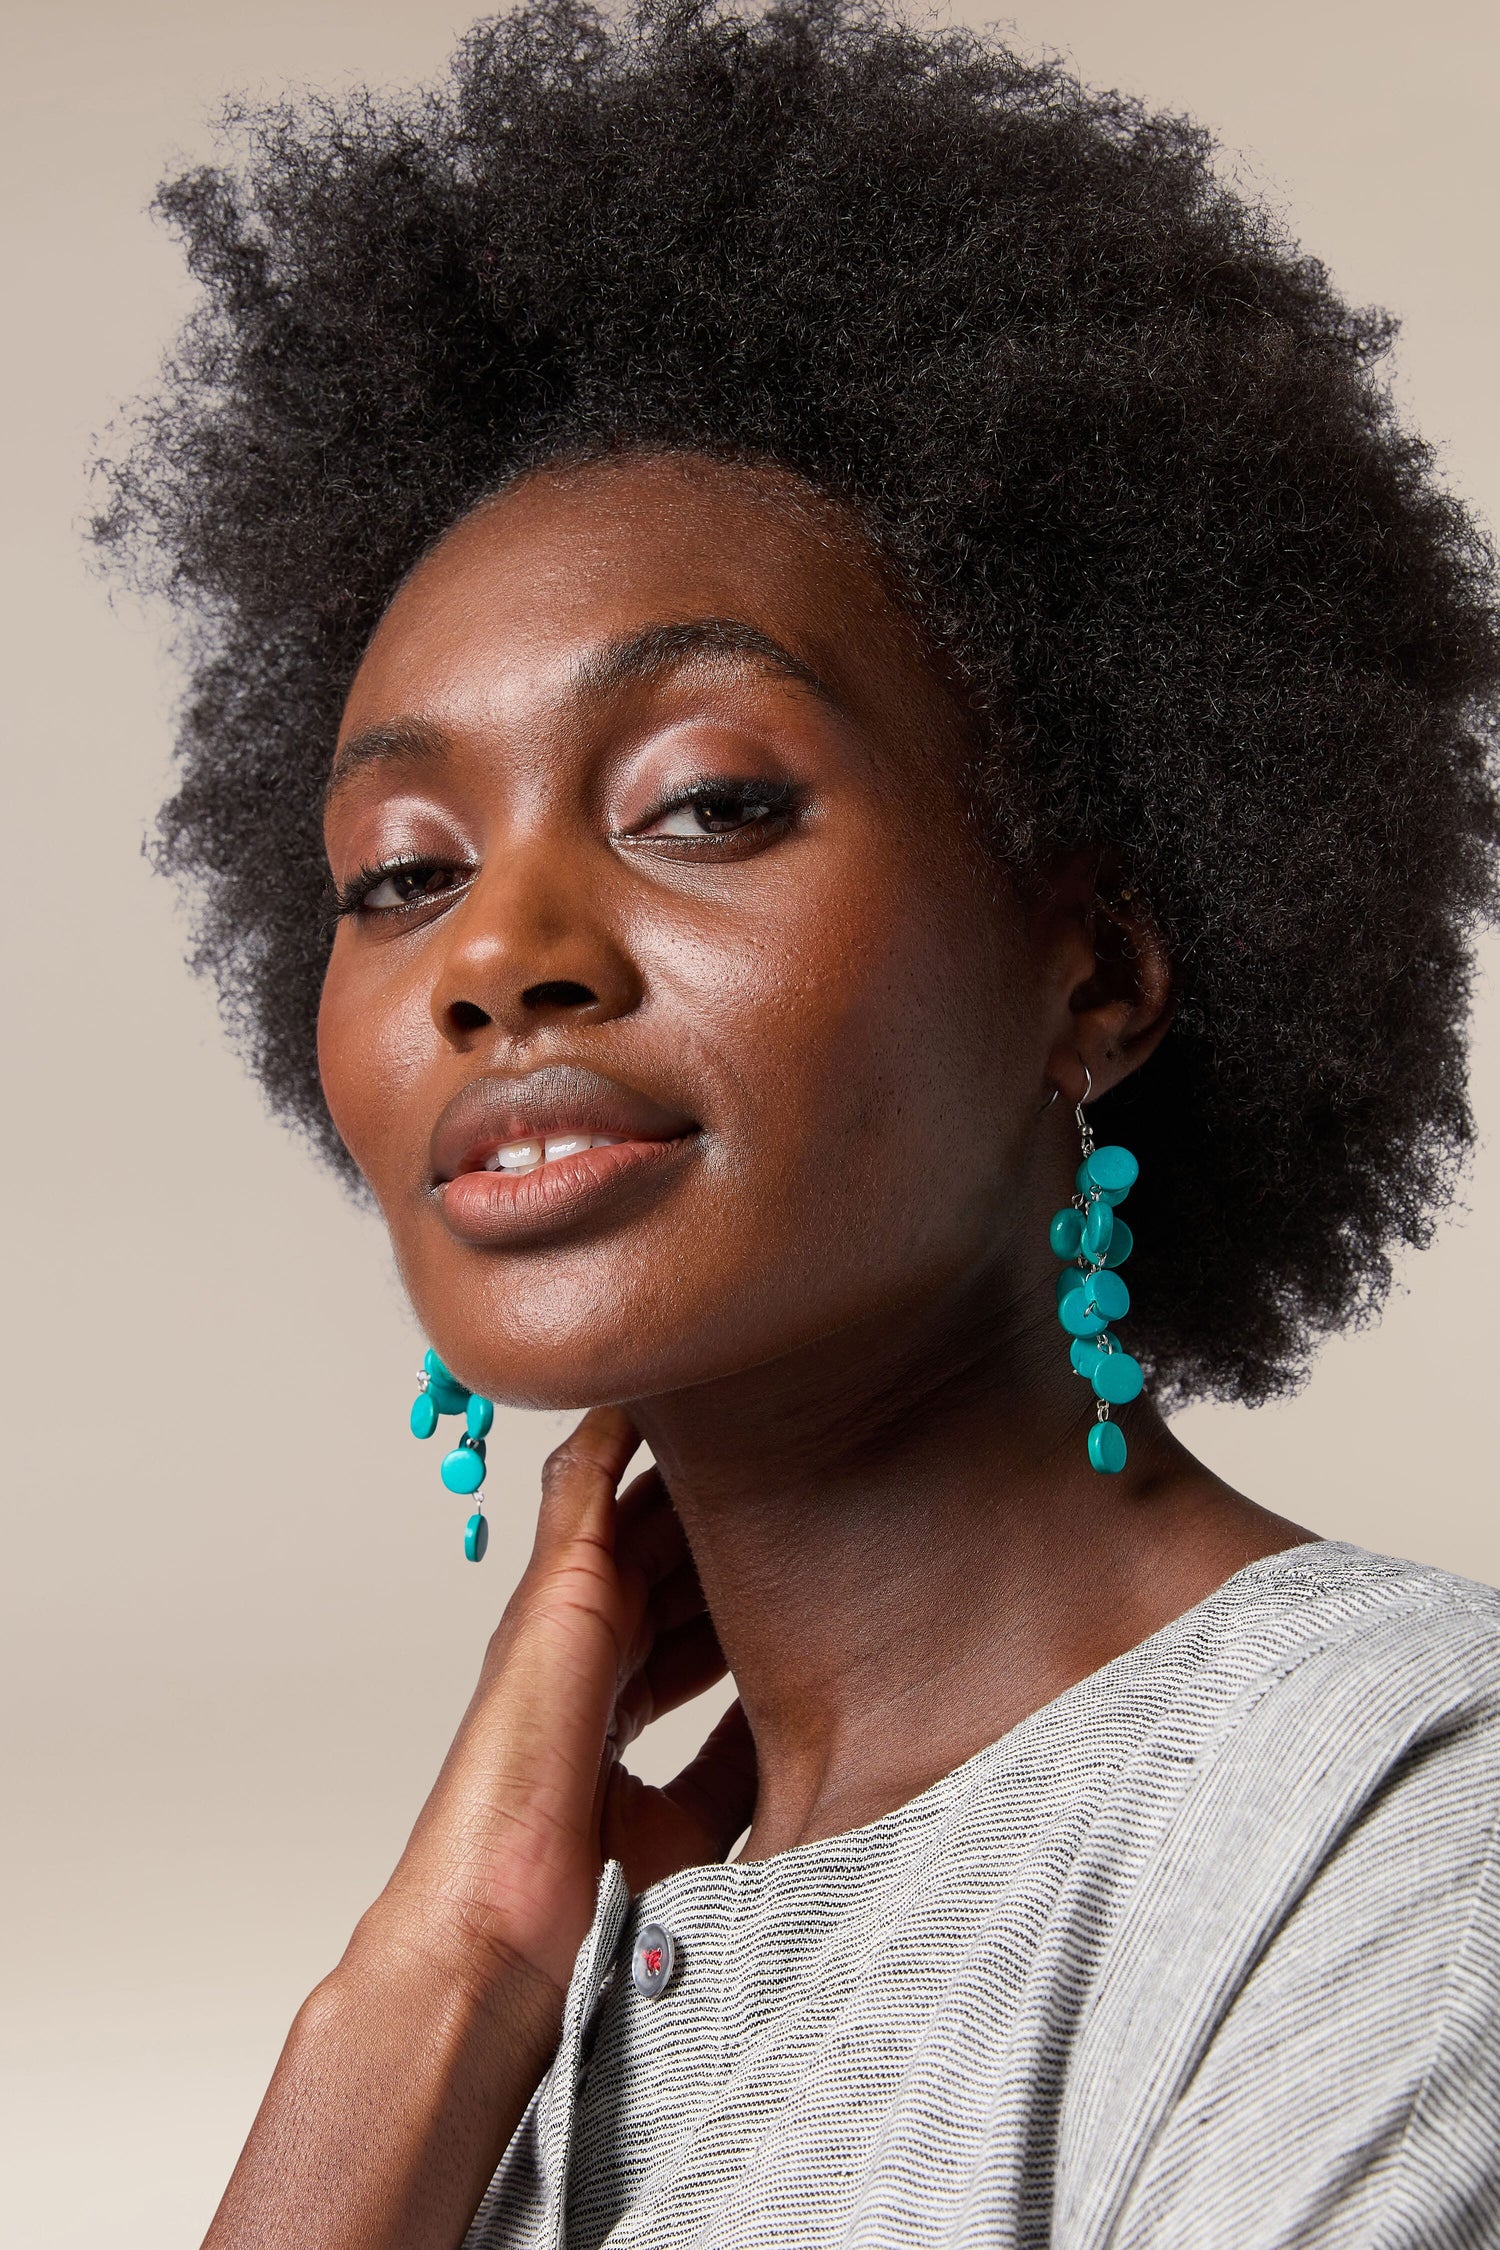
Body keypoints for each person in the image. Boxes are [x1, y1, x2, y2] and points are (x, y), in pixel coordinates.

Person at [95, 3, 1500, 2243]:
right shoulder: (550, 1986)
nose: (496, 955)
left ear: (1099, 966)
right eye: (405, 874)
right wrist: (423, 2002)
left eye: (707, 802)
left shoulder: (1390, 1825)